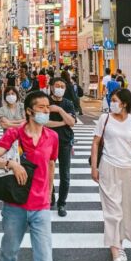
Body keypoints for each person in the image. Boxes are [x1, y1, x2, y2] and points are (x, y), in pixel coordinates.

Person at [0, 90, 58, 261]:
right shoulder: (14, 134)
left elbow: (51, 164)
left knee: (44, 259)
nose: (46, 111)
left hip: (40, 206)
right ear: (29, 111)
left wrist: (49, 192)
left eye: (47, 107)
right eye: (41, 107)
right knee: (9, 251)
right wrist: (12, 164)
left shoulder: (52, 137)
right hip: (15, 205)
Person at [90, 88, 131, 261]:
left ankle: (119, 244)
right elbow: (96, 142)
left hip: (128, 170)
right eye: (111, 100)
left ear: (125, 103)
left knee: (126, 210)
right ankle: (116, 257)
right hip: (107, 167)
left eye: (115, 100)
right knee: (113, 212)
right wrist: (94, 167)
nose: (112, 103)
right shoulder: (105, 119)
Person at [48, 77, 77, 217]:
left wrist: (59, 110)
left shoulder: (68, 103)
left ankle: (62, 203)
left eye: (62, 86)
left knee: (65, 175)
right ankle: (50, 197)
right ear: (52, 87)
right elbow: (44, 122)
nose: (59, 88)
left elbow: (71, 122)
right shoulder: (45, 102)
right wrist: (62, 122)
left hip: (65, 142)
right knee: (49, 173)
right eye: (57, 85)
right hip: (47, 142)